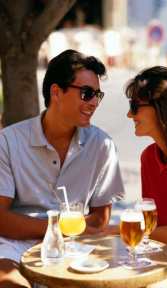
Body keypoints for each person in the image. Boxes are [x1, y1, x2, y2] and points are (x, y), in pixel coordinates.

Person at [0, 49, 124, 288]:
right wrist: (57, 229)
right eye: (87, 94)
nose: (94, 103)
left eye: (98, 95)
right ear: (56, 92)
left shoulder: (102, 145)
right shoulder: (7, 141)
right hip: (15, 246)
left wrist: (69, 235)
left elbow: (100, 218)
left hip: (77, 246)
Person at [126, 66, 167, 288]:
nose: (129, 115)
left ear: (162, 108)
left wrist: (122, 232)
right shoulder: (148, 158)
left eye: (135, 107)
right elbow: (151, 224)